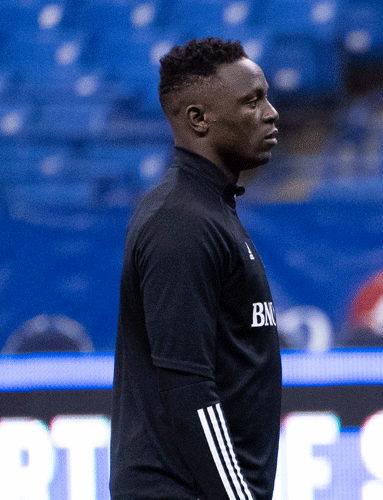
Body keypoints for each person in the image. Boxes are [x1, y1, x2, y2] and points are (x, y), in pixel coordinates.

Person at [111, 38, 282, 500]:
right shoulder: (181, 221)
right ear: (198, 119)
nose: (271, 113)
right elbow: (187, 388)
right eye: (252, 101)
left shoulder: (209, 209)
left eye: (265, 96)